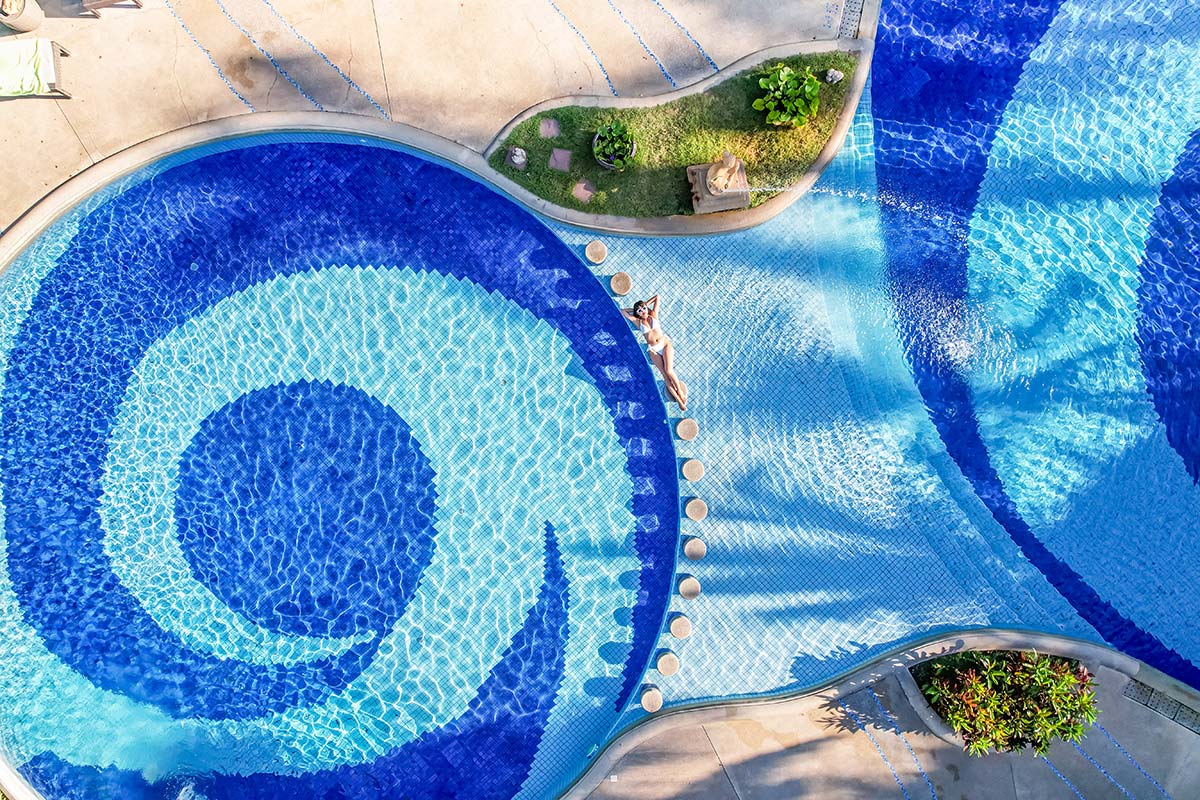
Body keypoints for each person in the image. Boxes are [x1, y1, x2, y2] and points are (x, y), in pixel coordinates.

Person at [621, 295, 688, 411]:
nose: (642, 311)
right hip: (654, 350)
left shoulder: (654, 314)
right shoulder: (637, 321)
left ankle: (680, 392)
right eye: (639, 310)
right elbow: (622, 311)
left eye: (643, 308)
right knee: (665, 376)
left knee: (669, 370)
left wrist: (645, 305)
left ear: (647, 308)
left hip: (665, 345)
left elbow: (657, 297)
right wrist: (634, 311)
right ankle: (678, 401)